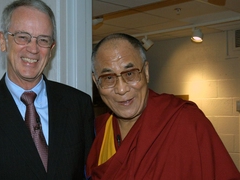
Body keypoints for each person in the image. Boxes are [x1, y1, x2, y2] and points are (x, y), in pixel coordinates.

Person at [86, 33, 240, 180]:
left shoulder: (186, 120)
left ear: (146, 72)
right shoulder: (97, 131)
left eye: (130, 74)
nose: (121, 89)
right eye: (109, 78)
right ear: (96, 81)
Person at [0, 0, 94, 179]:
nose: (33, 49)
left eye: (43, 40)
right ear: (3, 41)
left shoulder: (78, 104)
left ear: (51, 49)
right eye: (22, 37)